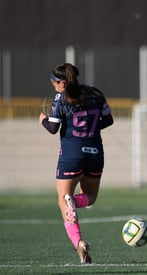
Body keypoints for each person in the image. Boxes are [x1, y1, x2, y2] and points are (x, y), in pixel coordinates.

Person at [39, 63, 114, 264]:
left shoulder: (60, 98)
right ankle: (76, 202)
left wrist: (43, 120)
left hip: (71, 155)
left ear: (62, 83)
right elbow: (108, 121)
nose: (52, 84)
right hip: (95, 153)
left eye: (54, 81)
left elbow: (53, 128)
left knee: (63, 200)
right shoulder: (95, 93)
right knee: (91, 197)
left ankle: (78, 242)